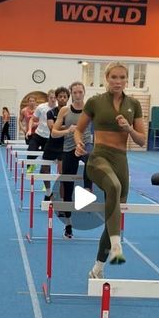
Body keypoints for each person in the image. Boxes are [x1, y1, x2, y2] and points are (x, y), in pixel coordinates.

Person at [74, 62, 145, 278]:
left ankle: (98, 267)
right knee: (113, 185)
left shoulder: (134, 104)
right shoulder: (95, 102)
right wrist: (79, 144)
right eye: (114, 77)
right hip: (98, 158)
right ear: (107, 78)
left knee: (113, 214)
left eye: (122, 77)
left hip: (120, 160)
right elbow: (79, 130)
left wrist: (129, 128)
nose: (118, 81)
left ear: (127, 80)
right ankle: (117, 244)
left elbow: (141, 141)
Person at [52, 81, 93, 239]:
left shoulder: (91, 110)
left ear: (84, 93)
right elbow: (54, 132)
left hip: (85, 145)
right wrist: (67, 130)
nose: (77, 95)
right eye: (74, 92)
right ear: (71, 94)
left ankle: (88, 190)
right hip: (68, 149)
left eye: (80, 92)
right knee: (67, 187)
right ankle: (68, 225)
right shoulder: (64, 110)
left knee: (91, 157)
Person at [41, 86, 70, 201]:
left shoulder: (71, 112)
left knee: (62, 174)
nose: (62, 99)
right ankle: (48, 193)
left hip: (65, 145)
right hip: (52, 144)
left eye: (65, 97)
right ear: (57, 98)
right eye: (60, 96)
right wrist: (67, 127)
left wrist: (59, 127)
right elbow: (52, 128)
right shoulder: (51, 112)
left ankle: (62, 201)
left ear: (68, 98)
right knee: (44, 169)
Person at [26, 90, 56, 173]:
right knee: (30, 151)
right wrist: (29, 130)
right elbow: (32, 119)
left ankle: (46, 184)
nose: (53, 99)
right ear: (48, 98)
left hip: (49, 138)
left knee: (46, 160)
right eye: (51, 98)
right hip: (38, 135)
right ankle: (30, 167)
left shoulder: (58, 109)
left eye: (54, 98)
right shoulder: (41, 107)